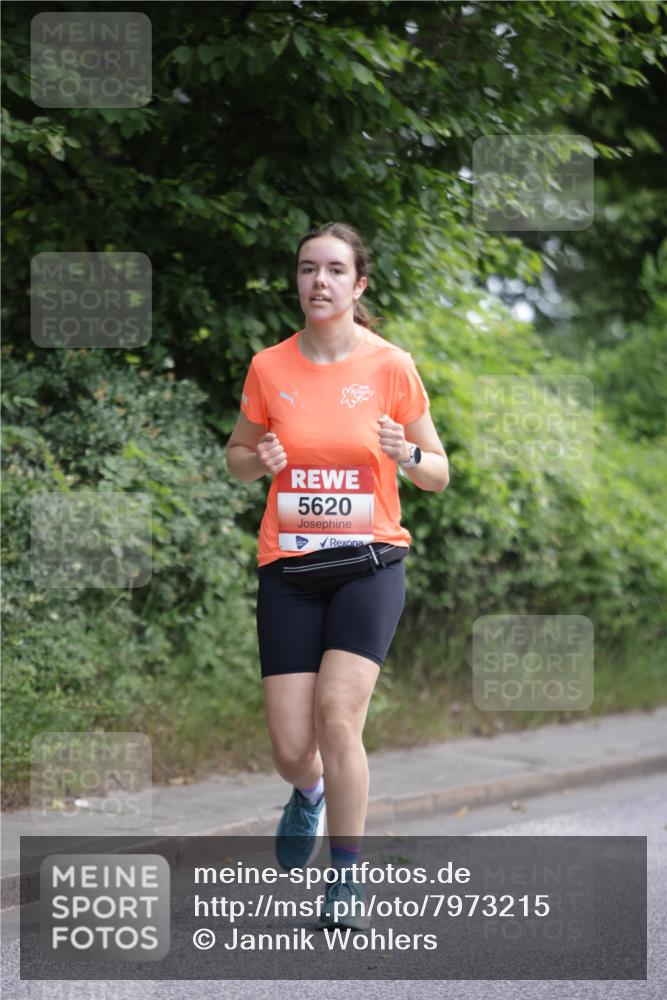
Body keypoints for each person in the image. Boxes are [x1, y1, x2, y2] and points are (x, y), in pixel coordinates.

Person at [225, 222, 449, 929]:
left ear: (358, 284)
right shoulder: (268, 366)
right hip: (289, 568)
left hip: (369, 564)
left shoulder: (390, 366)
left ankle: (345, 877)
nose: (317, 281)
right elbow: (234, 454)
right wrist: (256, 460)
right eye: (305, 269)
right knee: (294, 750)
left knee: (337, 718)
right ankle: (308, 794)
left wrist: (405, 455)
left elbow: (438, 473)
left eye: (332, 270)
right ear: (296, 282)